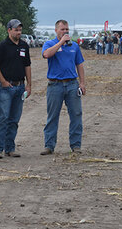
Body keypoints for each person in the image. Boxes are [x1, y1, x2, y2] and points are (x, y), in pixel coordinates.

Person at [40, 19, 86, 155]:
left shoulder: (74, 46)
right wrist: (61, 42)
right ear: (56, 30)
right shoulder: (50, 44)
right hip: (55, 85)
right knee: (53, 116)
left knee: (76, 114)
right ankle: (49, 145)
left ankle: (76, 145)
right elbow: (46, 54)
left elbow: (80, 64)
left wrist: (82, 83)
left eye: (67, 29)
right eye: (62, 29)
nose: (65, 32)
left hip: (72, 84)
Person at [0, 19, 32, 159]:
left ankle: (10, 148)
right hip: (6, 88)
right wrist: (2, 81)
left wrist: (29, 84)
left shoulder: (24, 46)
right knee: (2, 118)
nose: (18, 32)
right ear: (9, 30)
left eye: (20, 30)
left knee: (14, 119)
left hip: (20, 87)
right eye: (16, 30)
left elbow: (27, 65)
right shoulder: (3, 46)